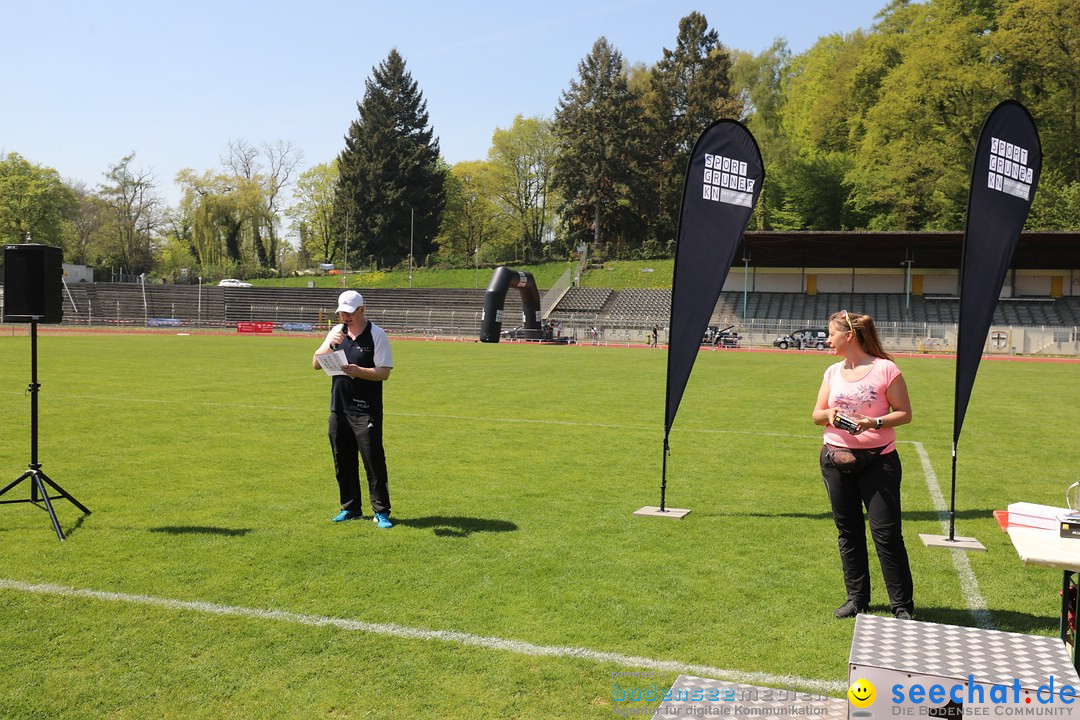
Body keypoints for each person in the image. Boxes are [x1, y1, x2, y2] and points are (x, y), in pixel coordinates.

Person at [812, 310, 914, 620]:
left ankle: (902, 607)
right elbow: (816, 414)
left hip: (879, 461)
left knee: (886, 534)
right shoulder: (832, 372)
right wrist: (830, 415)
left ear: (849, 336)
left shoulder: (885, 370)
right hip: (835, 459)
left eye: (831, 333)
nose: (827, 339)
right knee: (849, 532)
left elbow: (905, 413)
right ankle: (857, 599)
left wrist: (874, 421)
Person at [313, 290, 394, 529]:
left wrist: (359, 371)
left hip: (365, 409)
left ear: (362, 310)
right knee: (342, 459)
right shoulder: (336, 332)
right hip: (339, 407)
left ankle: (381, 512)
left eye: (349, 313)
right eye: (341, 313)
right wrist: (330, 346)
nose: (345, 318)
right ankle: (350, 508)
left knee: (373, 461)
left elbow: (384, 372)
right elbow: (316, 364)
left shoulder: (376, 335)